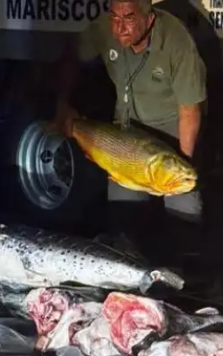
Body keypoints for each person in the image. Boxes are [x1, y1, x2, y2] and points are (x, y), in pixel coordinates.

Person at [54, 0, 208, 273]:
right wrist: (63, 103)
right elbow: (72, 55)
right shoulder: (104, 29)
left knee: (184, 199)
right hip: (126, 126)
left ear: (149, 19)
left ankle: (182, 272)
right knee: (123, 207)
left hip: (171, 125)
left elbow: (189, 111)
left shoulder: (176, 42)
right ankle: (129, 268)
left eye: (128, 18)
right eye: (114, 17)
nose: (119, 28)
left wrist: (182, 162)